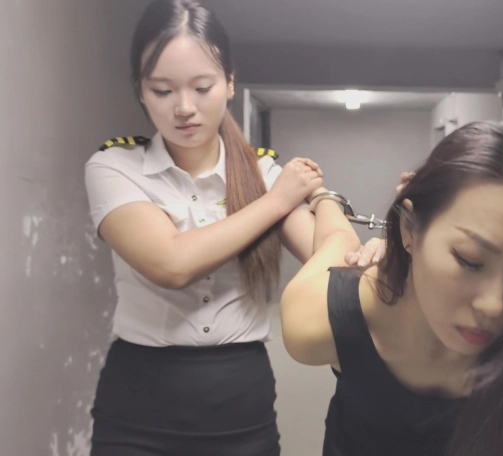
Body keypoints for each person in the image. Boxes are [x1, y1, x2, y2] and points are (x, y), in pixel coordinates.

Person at [84, 1, 380, 454]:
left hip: (241, 401)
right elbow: (172, 263)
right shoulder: (114, 166)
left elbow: (335, 261)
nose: (184, 108)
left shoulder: (262, 172)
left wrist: (322, 197)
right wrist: (278, 200)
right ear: (140, 90)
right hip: (138, 404)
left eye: (202, 87)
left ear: (229, 83)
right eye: (162, 90)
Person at [280, 121, 503, 456]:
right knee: (340, 241)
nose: (494, 305)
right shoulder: (318, 318)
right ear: (409, 230)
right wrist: (321, 197)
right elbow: (334, 240)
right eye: (470, 261)